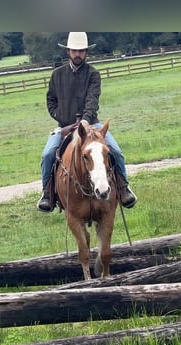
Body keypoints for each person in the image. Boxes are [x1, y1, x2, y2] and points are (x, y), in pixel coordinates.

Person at [38, 32, 137, 212]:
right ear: (68, 51)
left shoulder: (93, 74)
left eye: (81, 51)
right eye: (75, 51)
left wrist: (84, 121)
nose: (78, 54)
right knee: (48, 154)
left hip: (92, 124)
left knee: (115, 150)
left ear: (86, 52)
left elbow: (93, 100)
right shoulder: (57, 75)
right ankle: (48, 194)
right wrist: (61, 119)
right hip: (65, 126)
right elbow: (50, 101)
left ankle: (123, 188)